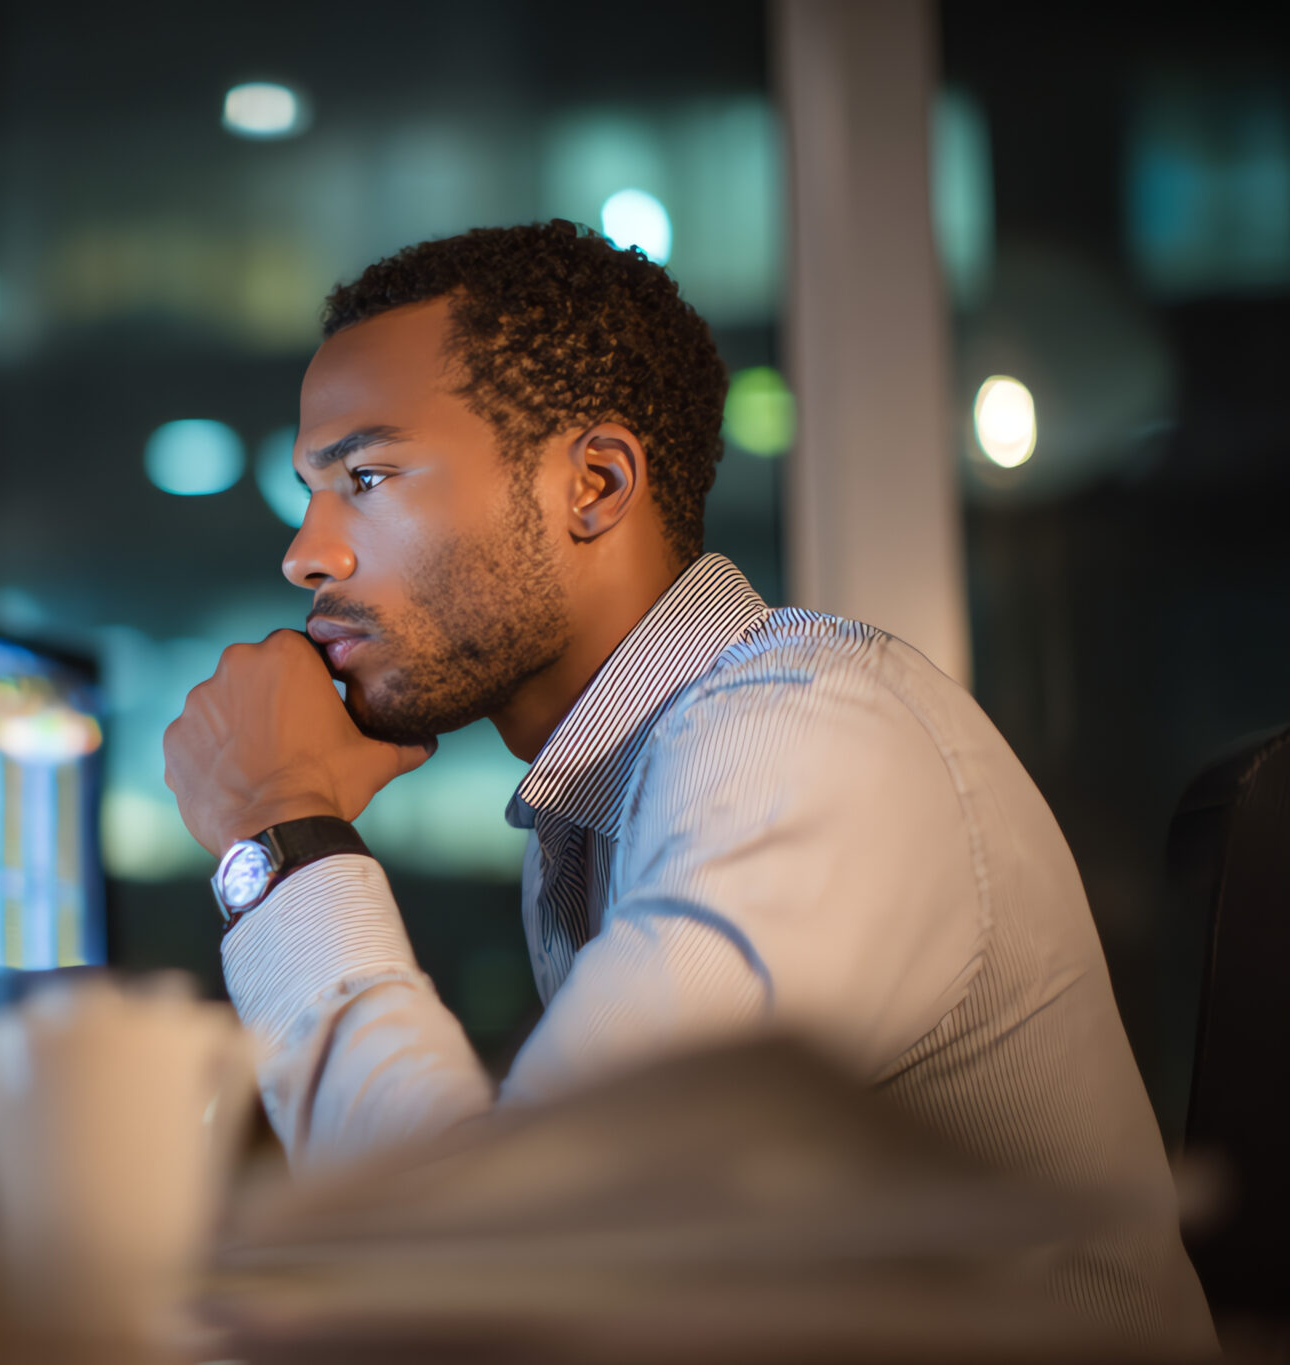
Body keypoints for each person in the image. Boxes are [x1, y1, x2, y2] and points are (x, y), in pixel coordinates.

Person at [162, 221, 1214, 1351]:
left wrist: (275, 831)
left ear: (596, 484)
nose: (304, 554)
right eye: (310, 490)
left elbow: (502, 1268)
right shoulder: (604, 799)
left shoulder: (801, 736)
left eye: (363, 477)